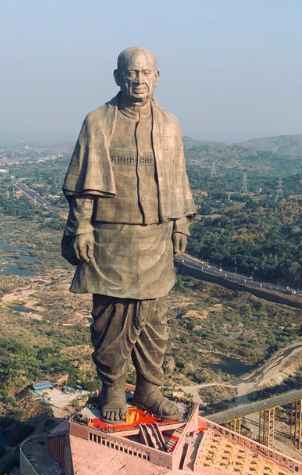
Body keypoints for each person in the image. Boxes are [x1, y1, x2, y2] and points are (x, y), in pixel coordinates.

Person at [61, 47, 196, 422]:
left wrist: (180, 223)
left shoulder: (170, 124)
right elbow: (83, 183)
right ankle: (114, 391)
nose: (139, 79)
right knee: (111, 319)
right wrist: (83, 226)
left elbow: (178, 176)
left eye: (146, 72)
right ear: (118, 76)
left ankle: (150, 389)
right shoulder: (98, 121)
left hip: (156, 236)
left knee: (155, 321)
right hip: (111, 237)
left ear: (157, 76)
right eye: (131, 73)